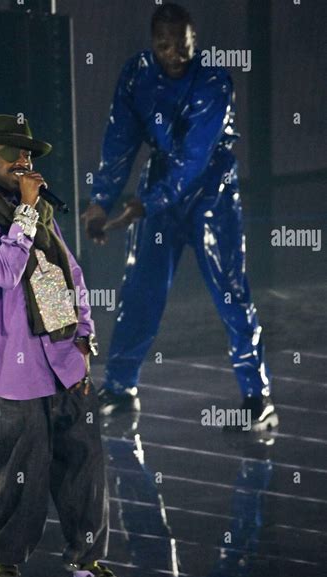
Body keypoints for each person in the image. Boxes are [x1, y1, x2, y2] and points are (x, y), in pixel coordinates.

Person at [0, 114, 135, 577]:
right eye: (14, 156)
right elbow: (5, 270)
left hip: (62, 357)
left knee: (83, 468)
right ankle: (2, 575)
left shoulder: (37, 214)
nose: (24, 164)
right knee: (19, 475)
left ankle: (89, 574)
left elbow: (70, 276)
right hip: (9, 367)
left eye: (27, 156)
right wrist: (25, 212)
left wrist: (85, 338)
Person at [81, 2, 278, 432]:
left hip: (212, 192)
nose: (174, 55)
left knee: (229, 290)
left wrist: (146, 203)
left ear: (195, 43)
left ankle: (257, 396)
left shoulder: (213, 82)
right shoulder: (137, 76)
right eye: (165, 46)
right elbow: (120, 138)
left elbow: (195, 159)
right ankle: (119, 387)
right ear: (153, 44)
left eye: (183, 46)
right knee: (139, 288)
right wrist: (102, 199)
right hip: (160, 186)